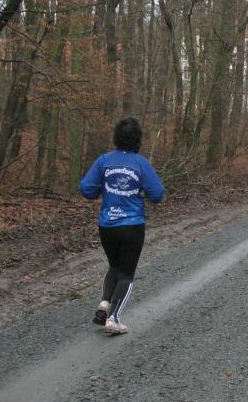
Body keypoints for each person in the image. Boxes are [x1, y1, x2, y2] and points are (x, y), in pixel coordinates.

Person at [79, 117, 165, 335]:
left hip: (107, 226)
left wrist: (103, 190)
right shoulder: (141, 163)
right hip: (132, 226)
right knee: (126, 273)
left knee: (115, 266)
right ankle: (114, 318)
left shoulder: (104, 160)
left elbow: (86, 189)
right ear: (138, 139)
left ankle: (104, 304)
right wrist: (141, 191)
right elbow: (157, 194)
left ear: (116, 137)